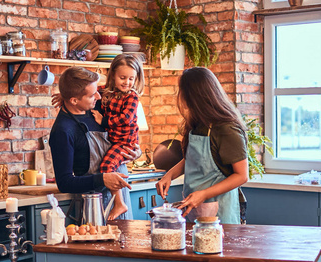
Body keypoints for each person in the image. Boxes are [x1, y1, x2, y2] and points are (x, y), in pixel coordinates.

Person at [155, 67, 248, 224]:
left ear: (193, 95)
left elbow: (241, 175)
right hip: (196, 206)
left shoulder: (226, 128)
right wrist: (169, 175)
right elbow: (192, 160)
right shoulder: (197, 124)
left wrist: (204, 194)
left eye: (181, 91)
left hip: (221, 210)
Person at [49, 66, 140, 221]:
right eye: (92, 95)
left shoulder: (95, 108)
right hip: (94, 206)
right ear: (74, 100)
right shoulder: (63, 131)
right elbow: (64, 183)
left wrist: (136, 153)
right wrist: (102, 179)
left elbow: (125, 127)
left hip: (121, 195)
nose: (98, 96)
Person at [90, 54, 145, 220]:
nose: (127, 82)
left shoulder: (131, 96)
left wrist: (103, 120)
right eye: (122, 77)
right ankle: (119, 203)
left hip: (124, 142)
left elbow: (126, 119)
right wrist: (64, 96)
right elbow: (85, 90)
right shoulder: (104, 94)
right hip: (116, 143)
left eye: (131, 79)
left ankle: (119, 203)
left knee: (106, 167)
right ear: (113, 74)